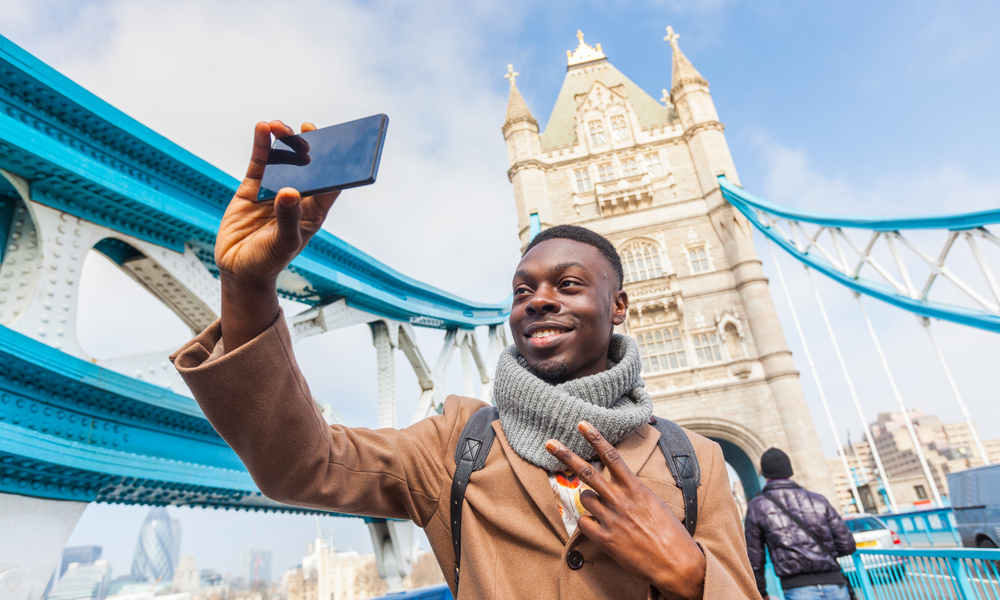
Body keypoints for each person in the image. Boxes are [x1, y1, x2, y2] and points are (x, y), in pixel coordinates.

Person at [171, 120, 760, 600]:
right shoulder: (457, 444)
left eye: (569, 284)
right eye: (522, 290)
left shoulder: (695, 463)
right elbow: (302, 466)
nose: (540, 301)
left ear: (620, 306)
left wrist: (689, 572)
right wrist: (247, 288)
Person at [744, 448, 856, 600]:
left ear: (764, 474)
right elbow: (847, 545)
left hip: (797, 588)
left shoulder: (758, 506)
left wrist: (760, 592)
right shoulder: (818, 500)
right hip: (835, 584)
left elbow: (755, 557)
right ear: (789, 471)